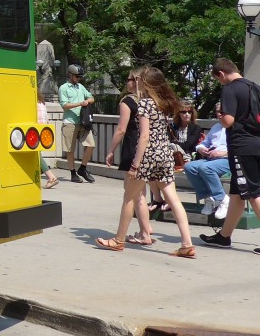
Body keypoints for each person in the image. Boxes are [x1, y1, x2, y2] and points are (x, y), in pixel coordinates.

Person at [97, 66, 196, 258]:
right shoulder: (165, 103)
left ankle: (118, 240)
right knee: (174, 200)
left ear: (147, 83)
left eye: (140, 78)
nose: (137, 81)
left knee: (129, 198)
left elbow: (143, 137)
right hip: (165, 154)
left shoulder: (145, 104)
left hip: (148, 156)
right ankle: (187, 244)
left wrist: (135, 164)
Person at [200, 58, 260, 253]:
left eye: (218, 79)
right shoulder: (254, 87)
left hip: (241, 146)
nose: (220, 83)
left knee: (253, 193)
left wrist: (221, 115)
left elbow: (228, 120)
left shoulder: (230, 89)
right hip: (256, 143)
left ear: (221, 74)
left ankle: (224, 236)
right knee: (237, 195)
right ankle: (224, 237)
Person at [104, 68, 154, 244]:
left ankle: (144, 233)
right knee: (141, 193)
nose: (127, 82)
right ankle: (145, 229)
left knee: (133, 194)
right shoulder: (150, 100)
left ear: (136, 81)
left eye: (129, 79)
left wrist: (110, 150)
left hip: (133, 148)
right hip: (149, 150)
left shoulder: (127, 101)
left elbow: (121, 129)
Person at [185, 104, 230, 220]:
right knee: (189, 167)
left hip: (228, 160)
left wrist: (223, 153)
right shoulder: (216, 127)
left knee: (205, 168)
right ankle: (209, 198)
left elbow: (241, 148)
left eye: (222, 111)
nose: (219, 114)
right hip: (211, 158)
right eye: (217, 112)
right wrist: (201, 149)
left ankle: (222, 199)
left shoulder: (236, 127)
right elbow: (204, 143)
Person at [59, 64, 96, 183]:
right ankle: (73, 173)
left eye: (80, 77)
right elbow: (64, 106)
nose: (79, 79)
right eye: (77, 76)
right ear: (70, 75)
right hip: (70, 122)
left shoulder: (81, 87)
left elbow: (91, 98)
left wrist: (88, 101)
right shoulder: (63, 88)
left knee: (90, 145)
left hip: (83, 121)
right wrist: (80, 104)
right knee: (70, 149)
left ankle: (83, 169)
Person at [37, 92, 59, 189]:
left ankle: (51, 177)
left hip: (36, 130)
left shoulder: (33, 103)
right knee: (38, 154)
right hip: (44, 131)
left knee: (36, 155)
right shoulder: (41, 102)